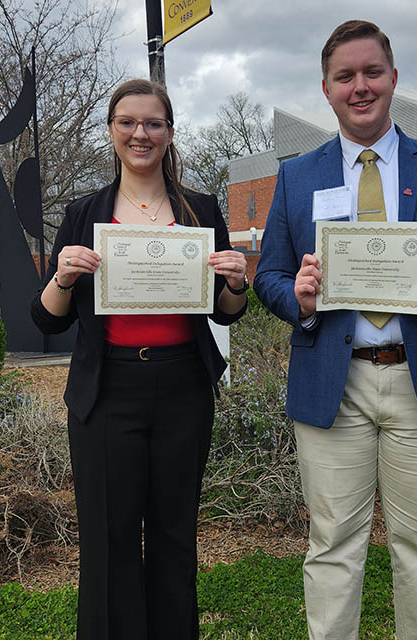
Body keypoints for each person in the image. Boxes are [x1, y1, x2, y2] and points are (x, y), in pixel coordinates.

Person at [252, 20, 417, 640]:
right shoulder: (296, 176)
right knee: (333, 544)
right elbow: (270, 277)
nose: (360, 87)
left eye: (372, 73)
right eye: (345, 77)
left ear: (393, 78)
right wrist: (300, 300)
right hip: (334, 384)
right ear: (328, 88)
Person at [30, 78, 248, 640]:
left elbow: (225, 313)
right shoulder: (84, 214)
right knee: (109, 539)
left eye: (153, 123)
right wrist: (63, 275)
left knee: (176, 535)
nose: (140, 133)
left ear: (170, 133)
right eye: (127, 122)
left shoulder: (199, 210)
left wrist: (236, 282)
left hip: (183, 388)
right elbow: (48, 318)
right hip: (108, 390)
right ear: (111, 132)